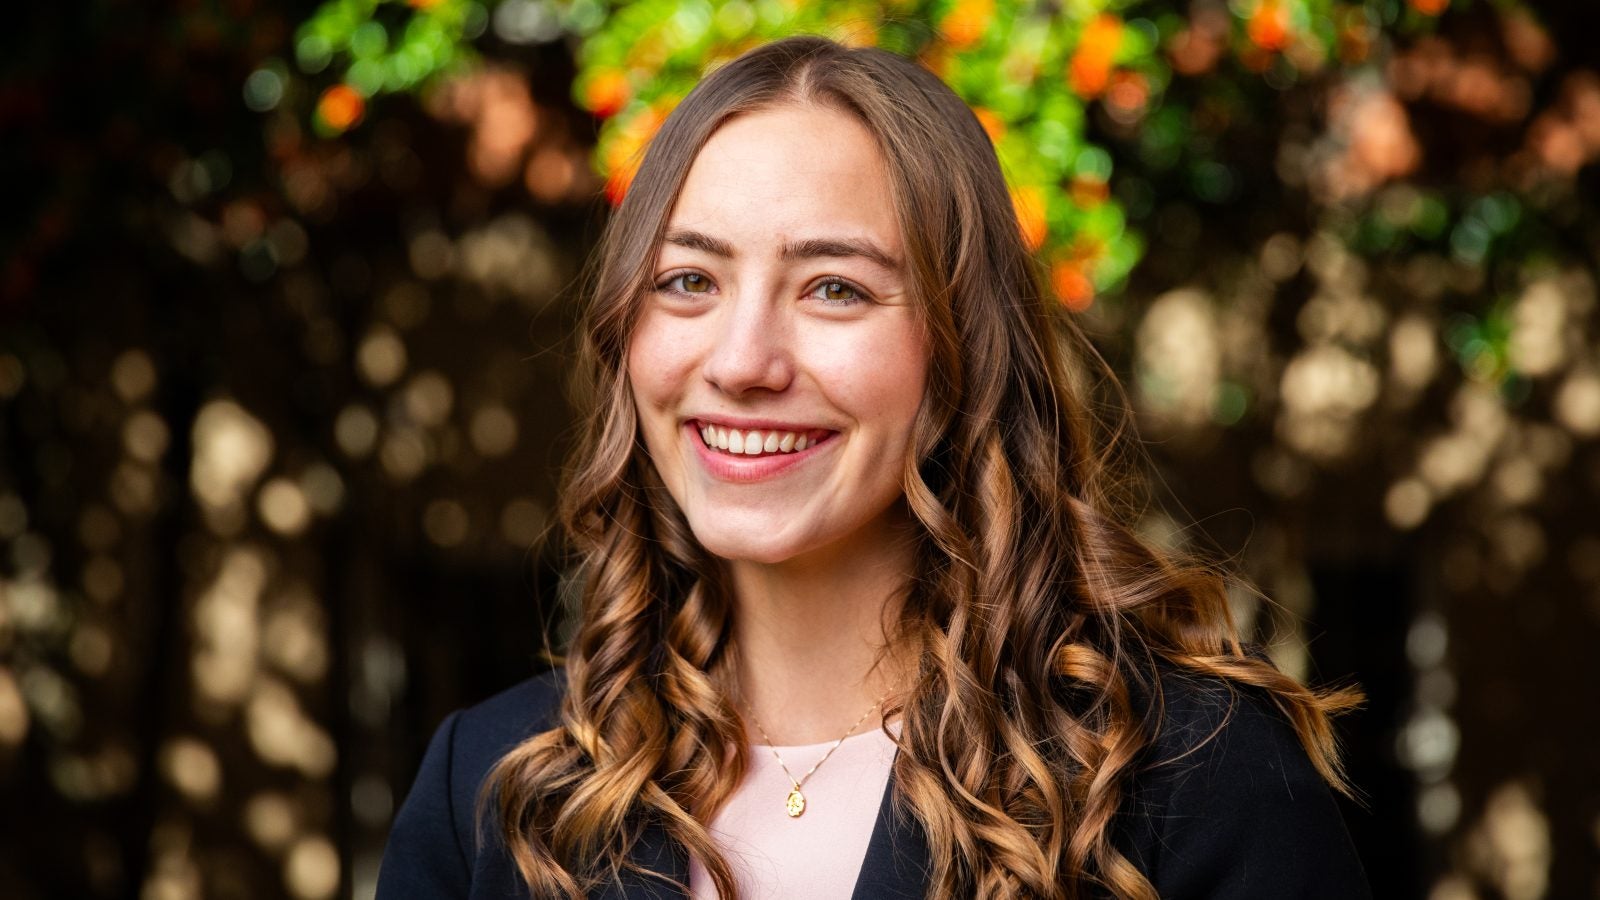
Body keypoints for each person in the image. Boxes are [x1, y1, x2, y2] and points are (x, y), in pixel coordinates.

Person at [376, 35, 1371, 900]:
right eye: (688, 281)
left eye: (834, 289)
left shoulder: (1192, 781)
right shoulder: (490, 790)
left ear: (959, 354)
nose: (741, 361)